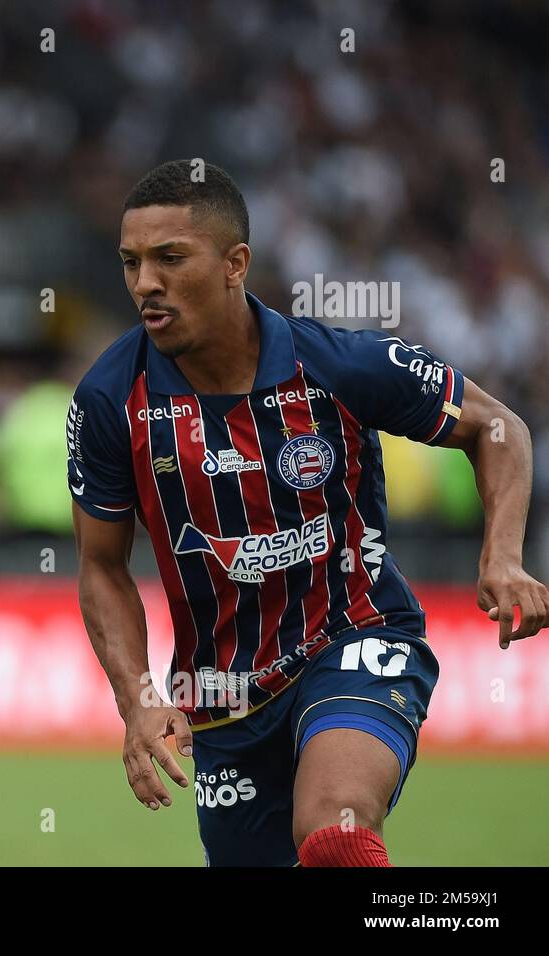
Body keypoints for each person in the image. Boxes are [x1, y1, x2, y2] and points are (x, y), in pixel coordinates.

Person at [69, 159, 547, 866]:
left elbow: (497, 426)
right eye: (132, 262)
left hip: (355, 637)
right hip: (222, 695)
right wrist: (139, 700)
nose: (146, 283)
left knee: (336, 828)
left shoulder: (339, 366)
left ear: (236, 263)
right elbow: (102, 567)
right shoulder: (111, 400)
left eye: (171, 258)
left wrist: (503, 555)